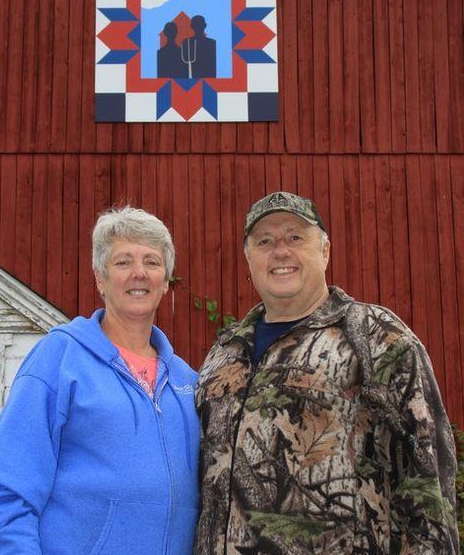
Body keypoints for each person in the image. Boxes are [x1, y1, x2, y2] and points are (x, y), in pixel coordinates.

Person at [195, 192, 458, 554]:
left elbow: (428, 477)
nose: (280, 251)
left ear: (325, 251)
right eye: (265, 241)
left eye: (295, 237)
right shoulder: (224, 354)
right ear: (249, 257)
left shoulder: (377, 337)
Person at [0, 206, 200, 554]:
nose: (139, 273)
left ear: (166, 281)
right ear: (100, 279)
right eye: (123, 262)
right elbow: (4, 489)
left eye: (151, 262)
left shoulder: (188, 381)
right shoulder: (60, 359)